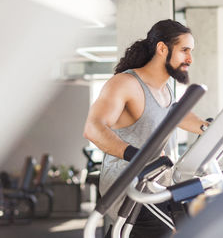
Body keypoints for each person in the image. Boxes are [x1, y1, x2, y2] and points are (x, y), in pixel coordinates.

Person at [83, 19, 210, 238]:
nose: (190, 59)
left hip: (155, 184)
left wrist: (209, 127)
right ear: (162, 48)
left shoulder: (165, 89)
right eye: (184, 51)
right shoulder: (125, 84)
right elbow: (93, 129)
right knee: (178, 228)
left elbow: (176, 115)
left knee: (200, 213)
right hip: (127, 186)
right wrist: (137, 155)